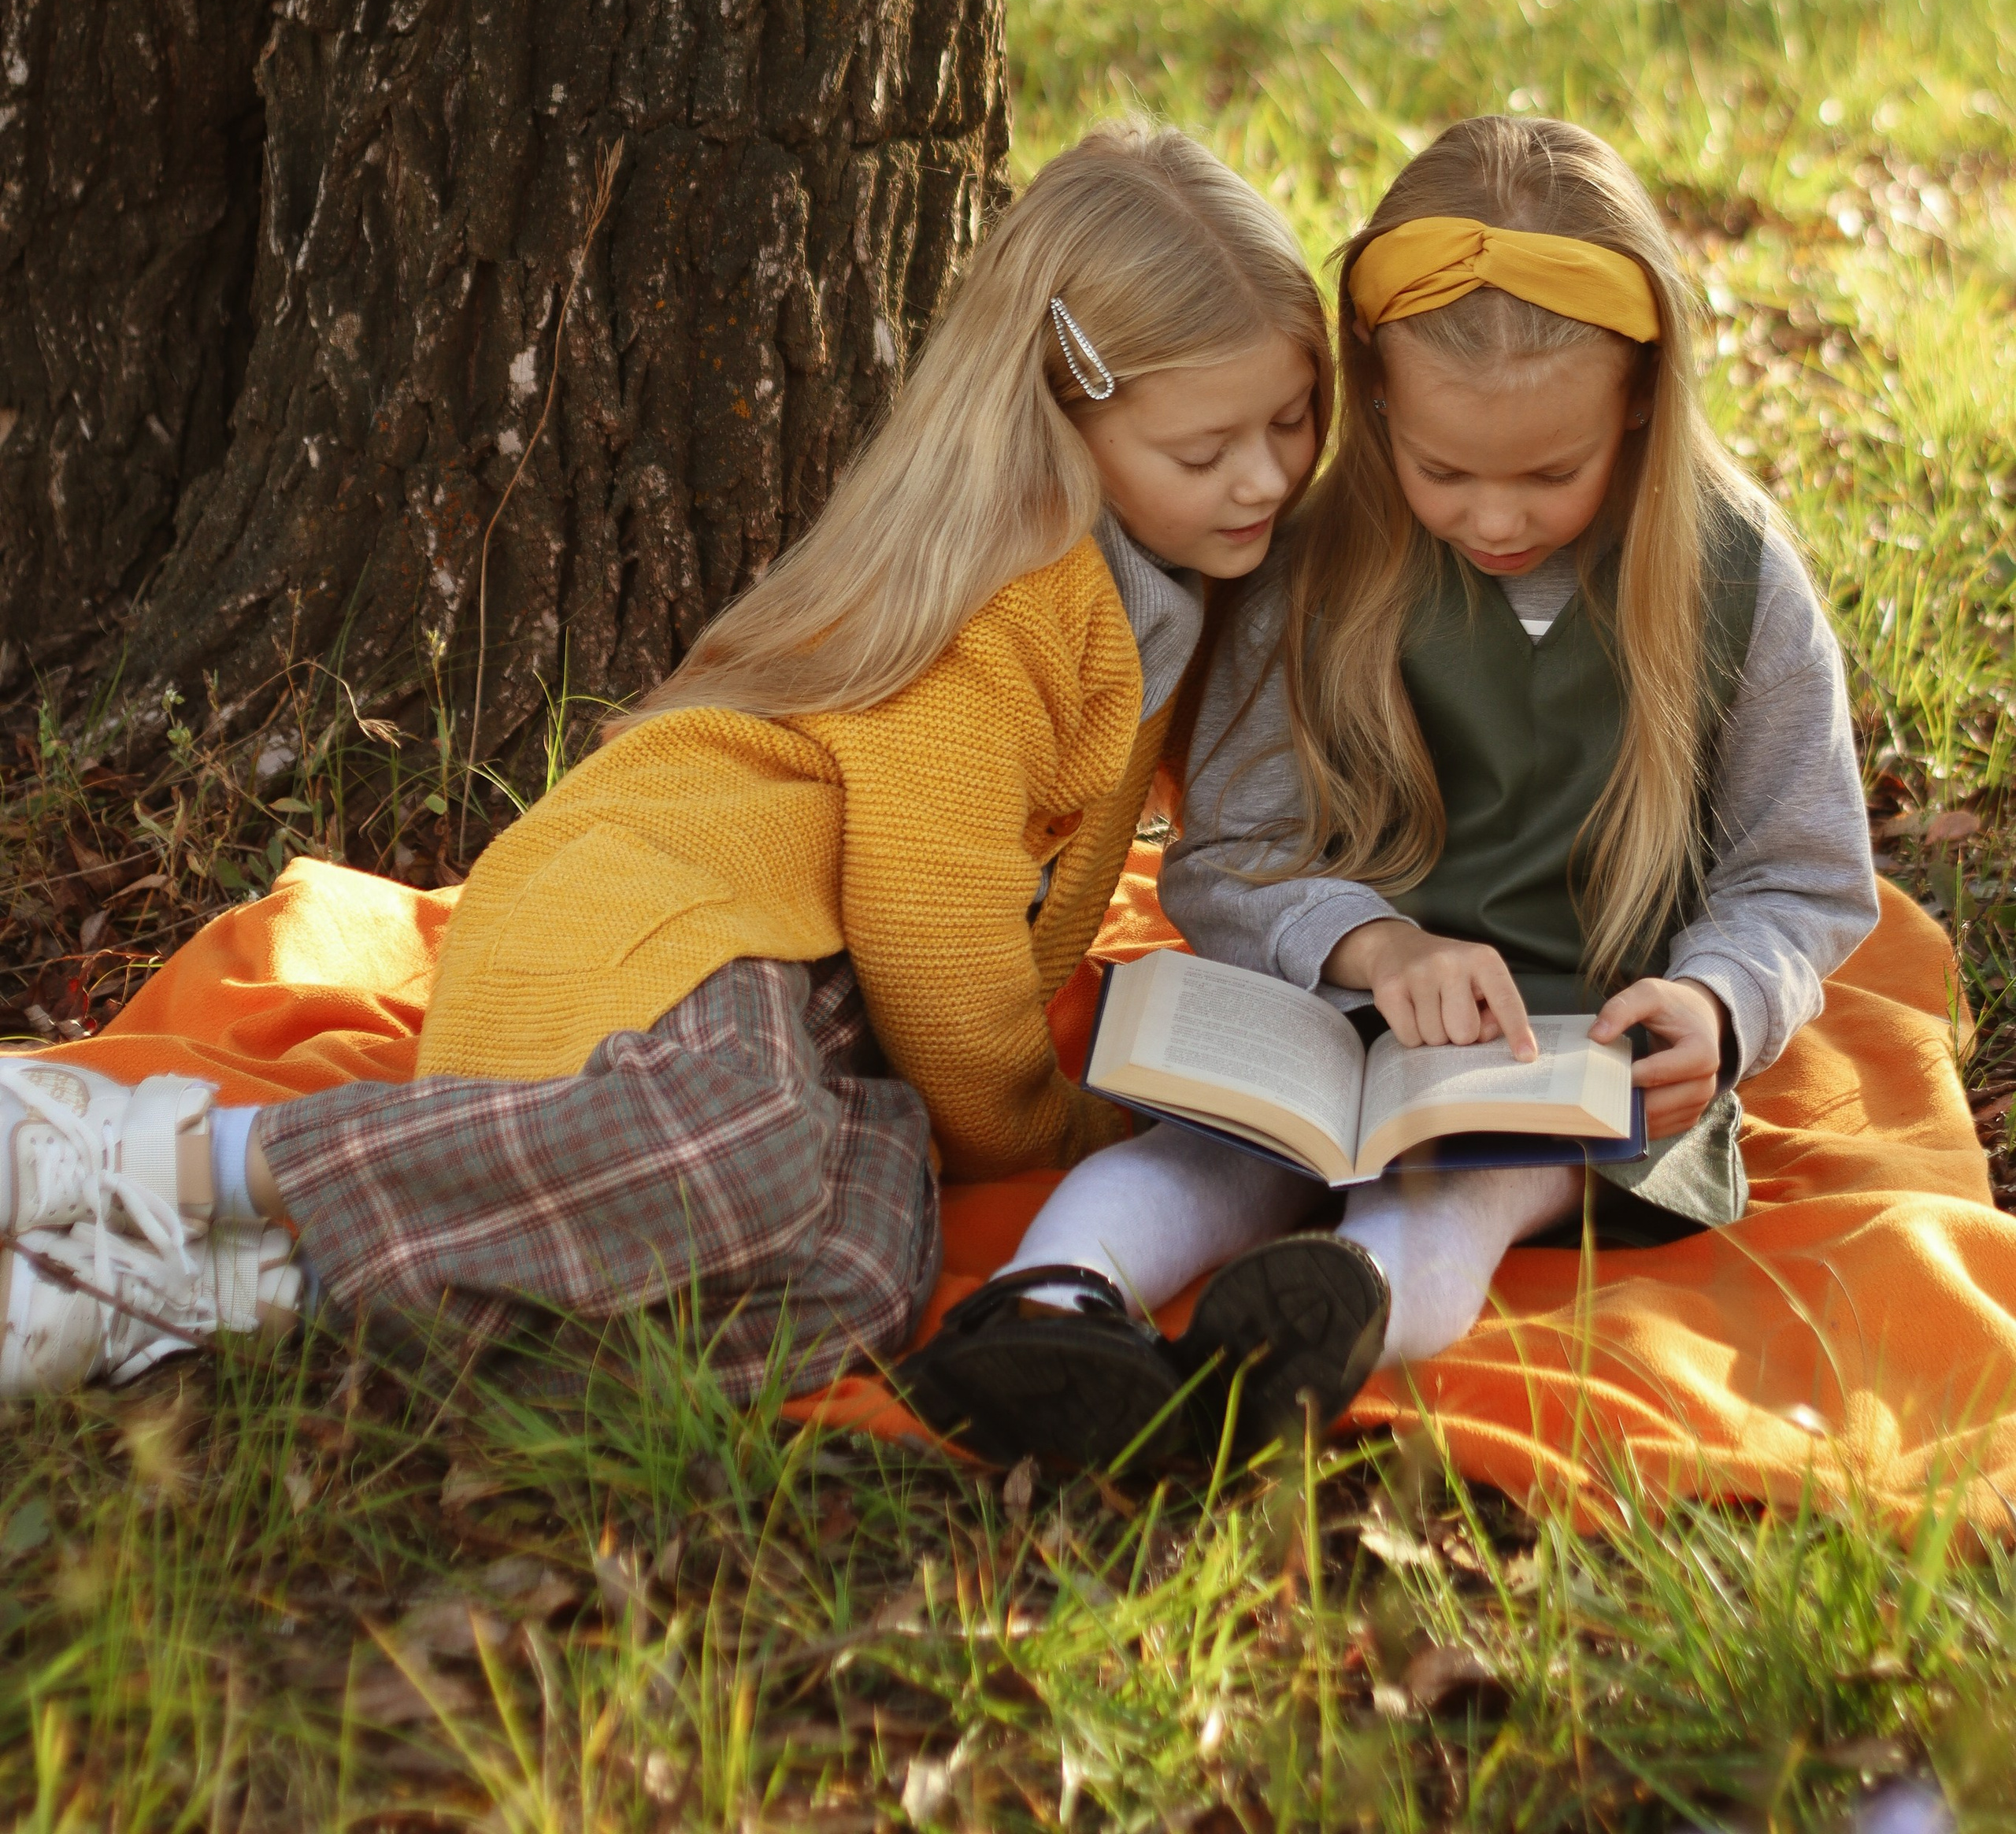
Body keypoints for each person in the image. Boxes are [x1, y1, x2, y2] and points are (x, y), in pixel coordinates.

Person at [1, 121, 1333, 1425]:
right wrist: (1046, 1127)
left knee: (856, 1282)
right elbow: (930, 926)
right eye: (1207, 452)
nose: (1263, 477)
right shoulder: (1011, 593)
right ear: (1062, 420)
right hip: (677, 912)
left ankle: (220, 1297)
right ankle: (161, 1160)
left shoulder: (1172, 581)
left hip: (831, 1026)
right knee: (735, 1150)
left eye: (1291, 421)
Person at [913, 113, 1880, 1465]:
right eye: (1443, 471)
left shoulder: (1734, 579)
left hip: (1574, 1053)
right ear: (1372, 393)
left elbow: (1803, 872)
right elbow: (1228, 847)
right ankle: (1045, 1312)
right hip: (1326, 1019)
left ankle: (1316, 1332)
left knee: (1473, 1192)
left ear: (1644, 396)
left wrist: (1720, 999)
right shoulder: (1313, 568)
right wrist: (1377, 944)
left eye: (1551, 472)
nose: (1494, 518)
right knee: (1214, 1161)